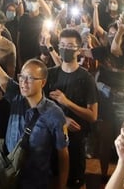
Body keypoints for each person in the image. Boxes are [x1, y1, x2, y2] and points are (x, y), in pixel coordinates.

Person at [0, 13, 68, 189]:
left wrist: (61, 185)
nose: (23, 82)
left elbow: (63, 155)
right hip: (10, 179)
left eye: (30, 78)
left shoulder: (54, 114)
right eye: (22, 76)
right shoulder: (16, 96)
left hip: (36, 182)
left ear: (43, 82)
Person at [44, 29, 98, 189]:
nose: (65, 49)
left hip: (76, 140)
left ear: (79, 49)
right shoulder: (51, 74)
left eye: (70, 46)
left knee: (75, 181)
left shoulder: (86, 78)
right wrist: (62, 120)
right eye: (62, 45)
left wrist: (67, 102)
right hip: (51, 137)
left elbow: (92, 116)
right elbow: (40, 106)